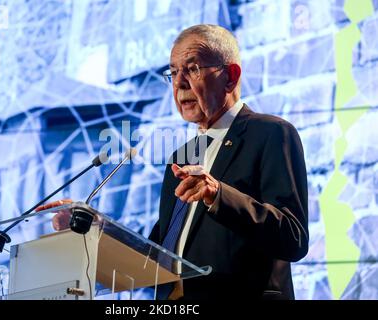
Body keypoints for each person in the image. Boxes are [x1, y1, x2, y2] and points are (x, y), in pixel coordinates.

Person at [37, 24, 309, 300]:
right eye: (174, 72)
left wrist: (218, 195)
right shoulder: (181, 157)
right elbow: (161, 254)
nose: (179, 83)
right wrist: (98, 229)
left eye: (192, 69)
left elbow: (293, 238)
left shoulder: (270, 134)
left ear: (230, 76)